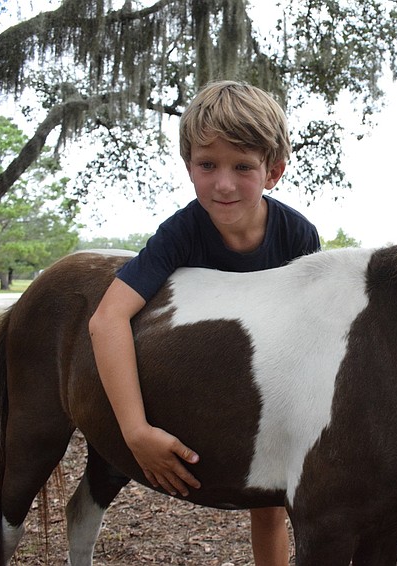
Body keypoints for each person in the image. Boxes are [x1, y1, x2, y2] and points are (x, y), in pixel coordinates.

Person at [88, 80, 320, 565]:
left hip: (270, 393)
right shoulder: (181, 232)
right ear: (188, 165)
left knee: (273, 509)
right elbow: (107, 319)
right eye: (206, 164)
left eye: (243, 167)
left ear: (273, 171)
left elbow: (309, 333)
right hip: (201, 379)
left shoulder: (298, 235)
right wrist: (135, 431)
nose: (223, 184)